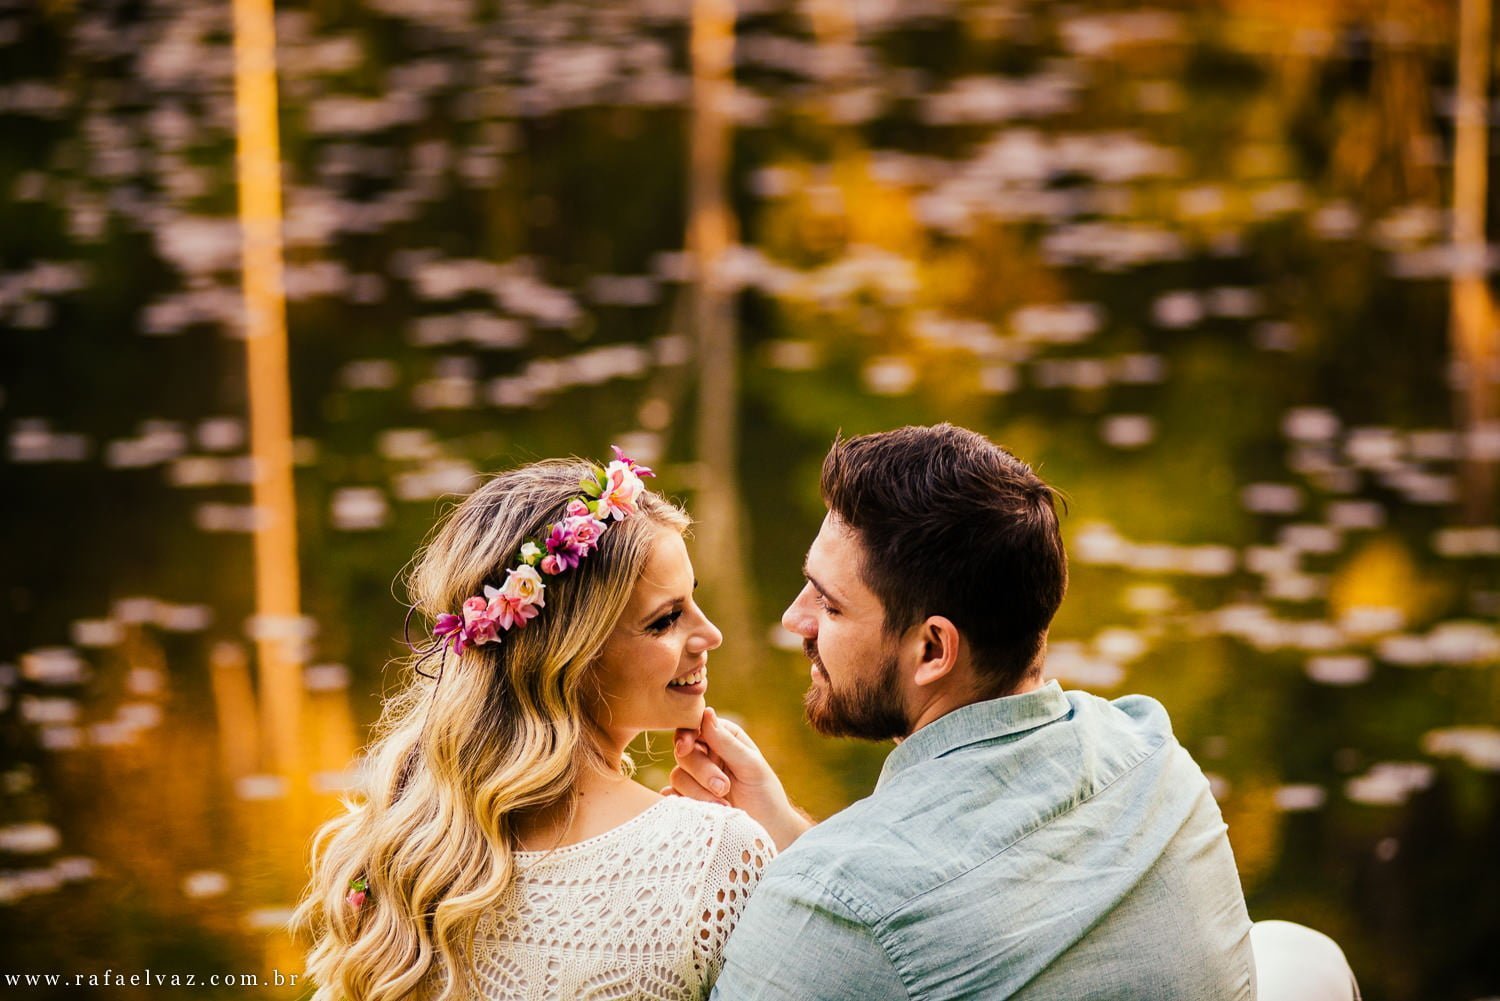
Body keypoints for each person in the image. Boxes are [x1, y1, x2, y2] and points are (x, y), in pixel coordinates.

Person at [669, 424, 1356, 1000]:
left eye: (830, 601)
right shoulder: (1152, 751)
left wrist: (804, 877)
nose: (795, 618)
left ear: (934, 647)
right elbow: (963, 904)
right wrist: (790, 831)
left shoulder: (829, 909)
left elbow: (882, 912)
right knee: (1300, 953)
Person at [296, 451, 774, 1001]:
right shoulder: (714, 857)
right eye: (665, 620)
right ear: (571, 654)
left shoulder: (400, 850)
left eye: (694, 600)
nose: (709, 634)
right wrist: (783, 836)